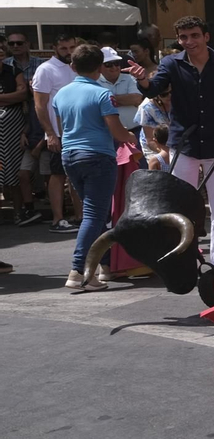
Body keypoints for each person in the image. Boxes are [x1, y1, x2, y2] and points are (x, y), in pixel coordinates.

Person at [129, 16, 214, 272]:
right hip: (184, 145)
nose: (189, 41)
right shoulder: (171, 63)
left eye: (194, 35)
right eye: (183, 37)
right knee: (182, 208)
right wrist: (144, 80)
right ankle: (186, 260)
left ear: (206, 37)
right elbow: (153, 88)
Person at [53, 44, 139, 290]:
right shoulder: (102, 94)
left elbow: (62, 128)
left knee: (96, 214)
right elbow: (115, 129)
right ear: (100, 67)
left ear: (72, 66)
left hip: (70, 156)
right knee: (94, 214)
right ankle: (78, 270)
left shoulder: (61, 94)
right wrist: (130, 138)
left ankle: (105, 269)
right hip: (98, 157)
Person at [30, 34, 82, 233]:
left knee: (76, 175)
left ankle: (80, 216)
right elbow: (39, 105)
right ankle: (58, 219)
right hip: (58, 133)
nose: (68, 52)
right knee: (58, 175)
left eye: (71, 47)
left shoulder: (76, 67)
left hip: (77, 131)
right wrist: (50, 134)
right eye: (63, 48)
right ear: (54, 48)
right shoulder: (45, 69)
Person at [0, 34, 35, 227]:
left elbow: (23, 94)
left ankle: (18, 212)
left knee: (12, 168)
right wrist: (9, 97)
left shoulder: (12, 70)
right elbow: (17, 95)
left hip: (12, 128)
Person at [134, 92, 171, 172]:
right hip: (155, 147)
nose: (169, 96)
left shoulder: (182, 100)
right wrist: (168, 153)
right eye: (164, 94)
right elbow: (150, 141)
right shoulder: (146, 107)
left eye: (172, 92)